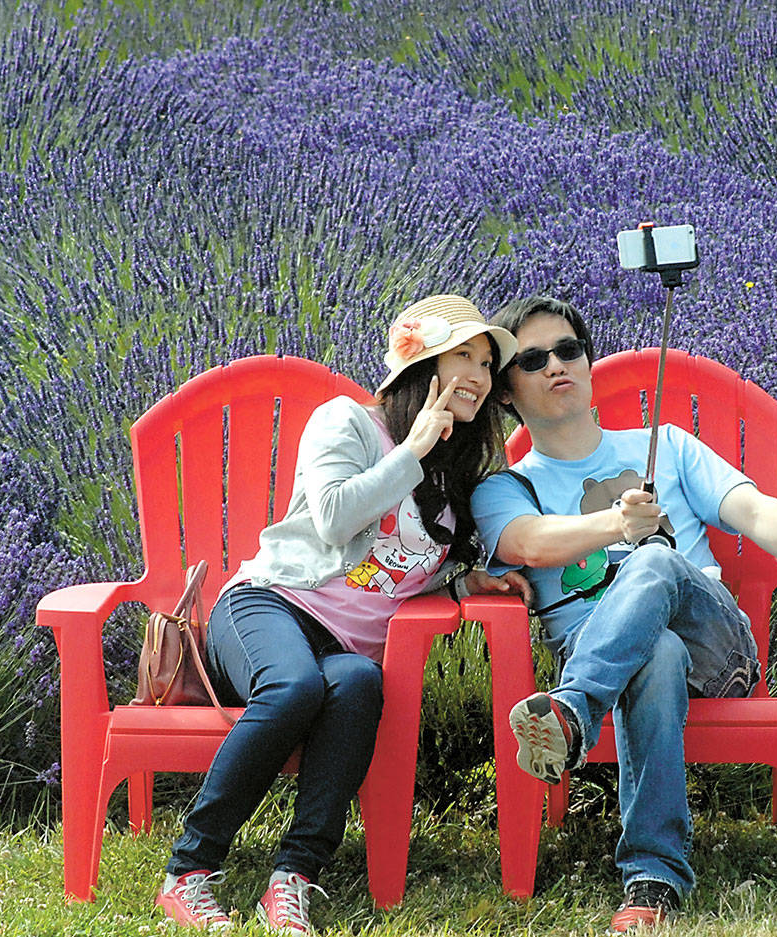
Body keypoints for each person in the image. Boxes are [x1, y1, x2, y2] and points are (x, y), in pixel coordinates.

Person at [470, 296, 777, 932]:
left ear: (587, 363)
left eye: (568, 350)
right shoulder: (505, 488)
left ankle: (572, 712)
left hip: (715, 651)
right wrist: (616, 523)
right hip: (621, 660)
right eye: (532, 360)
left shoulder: (665, 446)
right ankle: (653, 880)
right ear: (506, 392)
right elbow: (527, 544)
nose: (556, 365)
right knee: (655, 651)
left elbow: (755, 510)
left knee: (657, 562)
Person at [155, 294, 530, 934]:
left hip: (344, 649)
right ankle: (188, 871)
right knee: (294, 685)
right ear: (422, 365)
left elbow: (404, 568)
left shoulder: (454, 473)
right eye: (463, 355)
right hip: (268, 605)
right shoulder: (348, 423)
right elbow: (332, 520)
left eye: (487, 363)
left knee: (358, 683)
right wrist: (411, 450)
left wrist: (467, 581)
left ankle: (292, 878)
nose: (478, 373)